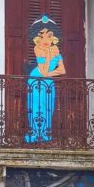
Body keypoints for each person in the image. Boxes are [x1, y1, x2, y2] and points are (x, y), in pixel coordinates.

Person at [24, 15, 66, 143]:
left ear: (54, 37)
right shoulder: (38, 49)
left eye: (49, 35)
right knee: (36, 106)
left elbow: (62, 70)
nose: (45, 40)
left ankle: (46, 134)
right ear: (36, 39)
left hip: (48, 80)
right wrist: (47, 56)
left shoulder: (56, 50)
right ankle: (35, 134)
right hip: (35, 79)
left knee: (48, 107)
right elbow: (43, 71)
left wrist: (49, 73)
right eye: (41, 36)